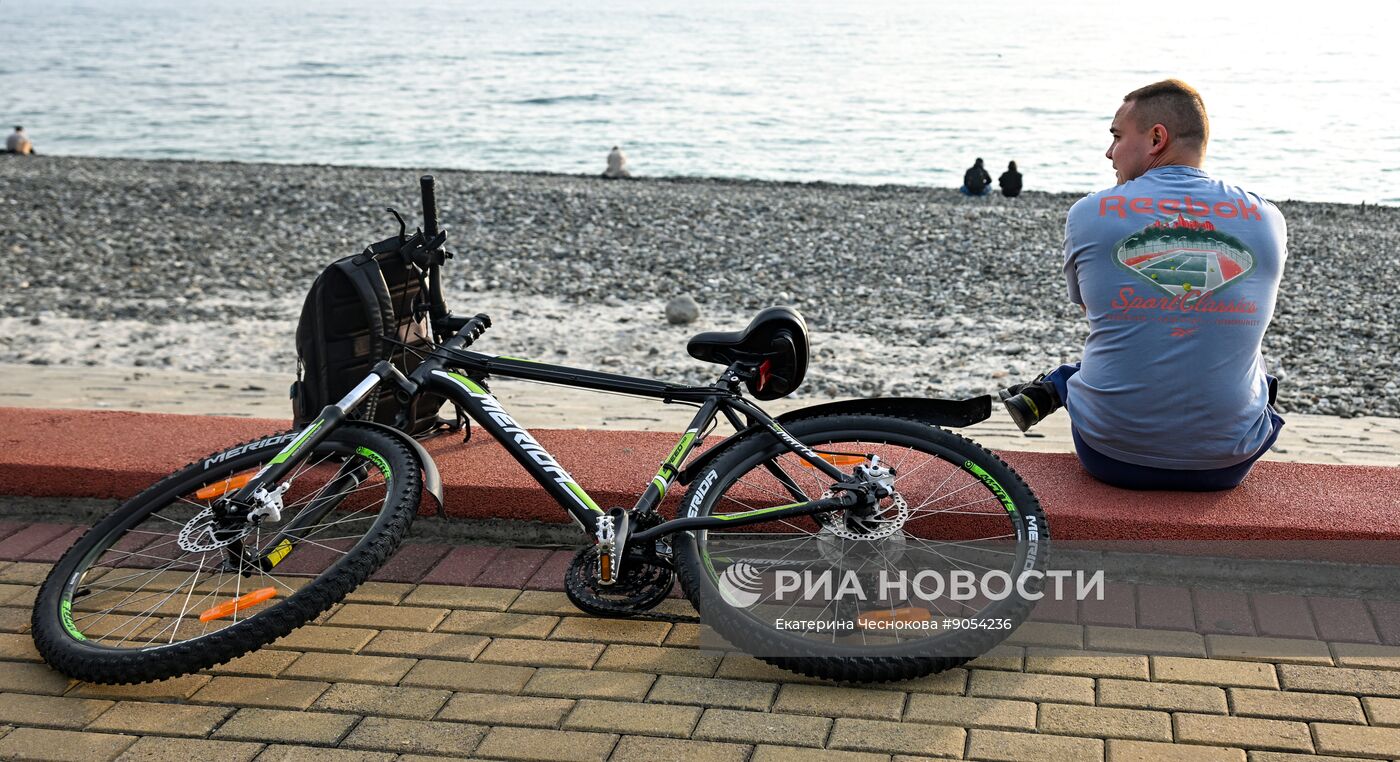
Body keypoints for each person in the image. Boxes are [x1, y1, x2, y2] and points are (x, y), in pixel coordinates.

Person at [998, 79, 1286, 491]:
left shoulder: (1088, 213)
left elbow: (1097, 311)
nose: (1109, 152)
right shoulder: (1267, 218)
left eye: (1116, 136)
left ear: (1156, 138)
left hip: (1110, 455)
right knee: (1245, 353)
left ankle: (1057, 384)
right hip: (1226, 464)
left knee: (1127, 335)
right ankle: (1061, 383)